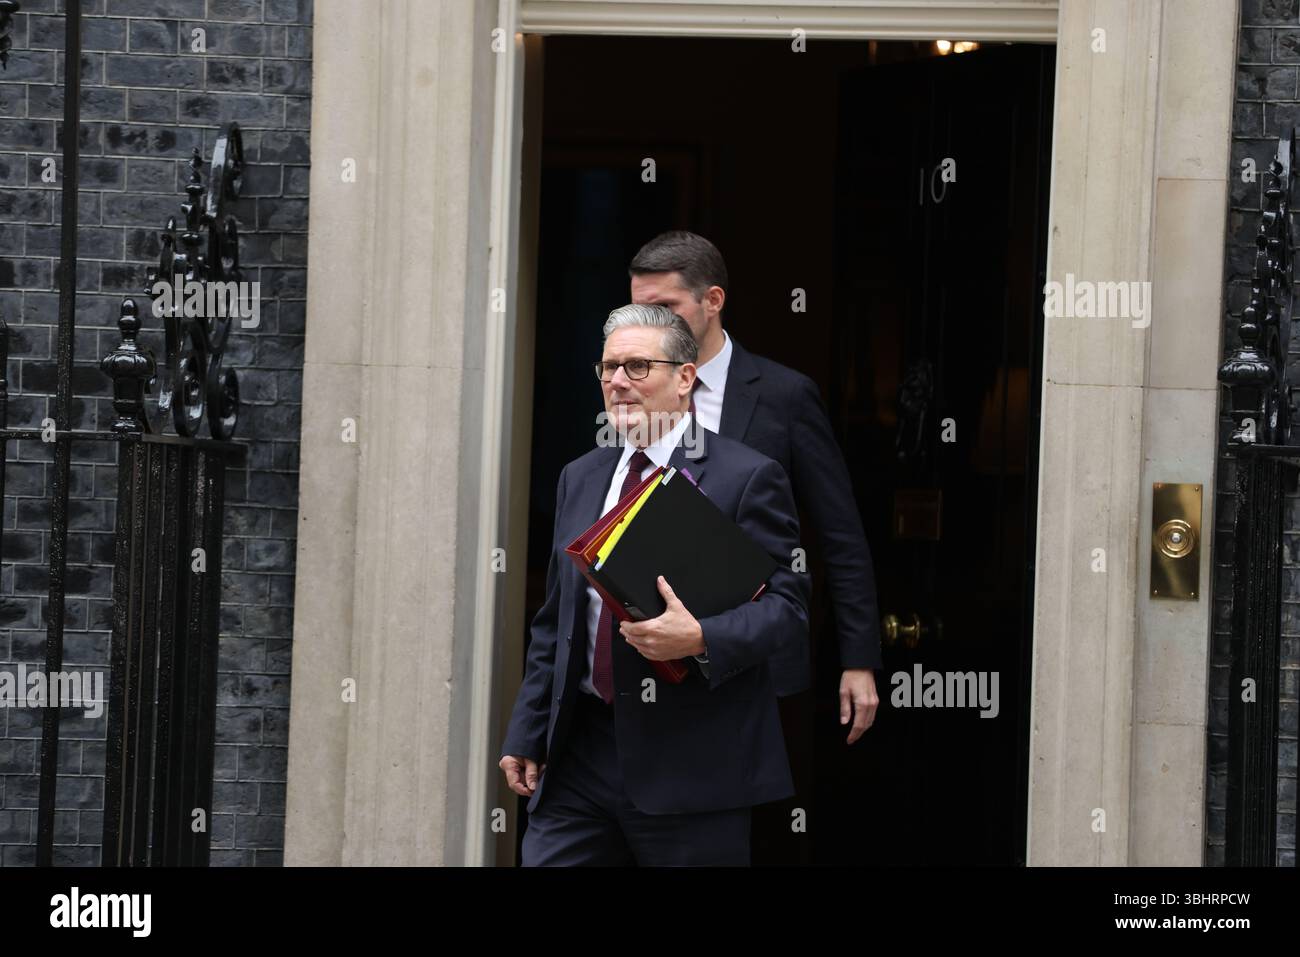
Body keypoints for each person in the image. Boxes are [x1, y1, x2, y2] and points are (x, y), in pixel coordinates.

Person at [499, 304, 809, 866]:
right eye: (609, 367)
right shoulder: (582, 475)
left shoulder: (747, 476)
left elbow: (788, 609)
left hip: (692, 766)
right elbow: (557, 621)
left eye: (638, 367)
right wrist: (528, 731)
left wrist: (701, 638)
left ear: (685, 378)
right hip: (579, 758)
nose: (617, 382)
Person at [629, 231, 882, 865]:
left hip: (760, 659)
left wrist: (859, 658)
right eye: (640, 311)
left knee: (758, 838)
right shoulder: (630, 386)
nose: (651, 326)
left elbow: (840, 535)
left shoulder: (783, 395)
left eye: (667, 310)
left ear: (713, 301)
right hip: (650, 659)